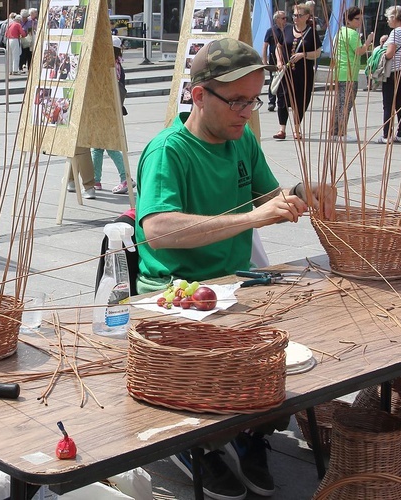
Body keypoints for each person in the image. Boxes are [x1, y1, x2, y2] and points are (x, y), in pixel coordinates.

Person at [134, 38, 336, 499]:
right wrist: (250, 220)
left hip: (235, 285)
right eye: (237, 101)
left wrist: (304, 190)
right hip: (176, 294)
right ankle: (192, 445)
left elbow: (267, 198)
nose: (247, 113)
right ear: (199, 95)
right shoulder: (169, 151)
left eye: (254, 99)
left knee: (295, 351)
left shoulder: (239, 139)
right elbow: (158, 229)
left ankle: (250, 431)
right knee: (233, 364)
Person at [91, 36, 135, 195]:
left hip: (105, 109)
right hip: (110, 109)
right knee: (98, 146)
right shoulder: (118, 64)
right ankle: (96, 180)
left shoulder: (110, 66)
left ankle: (125, 178)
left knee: (108, 146)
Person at [273, 3, 322, 140]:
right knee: (282, 99)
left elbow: (318, 53)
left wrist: (303, 55)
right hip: (286, 72)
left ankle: (296, 129)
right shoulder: (287, 29)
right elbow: (279, 46)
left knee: (300, 100)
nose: (296, 18)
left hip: (303, 73)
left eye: (299, 15)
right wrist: (279, 61)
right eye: (294, 15)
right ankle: (281, 129)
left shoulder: (311, 32)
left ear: (307, 16)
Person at [331, 6, 373, 141]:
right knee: (345, 104)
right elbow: (359, 51)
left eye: (360, 19)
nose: (359, 22)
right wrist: (369, 41)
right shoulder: (352, 34)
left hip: (340, 72)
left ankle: (335, 132)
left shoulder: (340, 32)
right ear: (347, 20)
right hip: (348, 73)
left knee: (340, 103)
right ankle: (340, 133)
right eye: (356, 19)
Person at [375, 5, 401, 143]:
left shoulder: (396, 33)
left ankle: (386, 135)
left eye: (388, 18)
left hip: (393, 72)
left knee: (388, 104)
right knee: (400, 103)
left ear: (394, 17)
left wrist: (380, 50)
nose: (387, 21)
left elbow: (390, 54)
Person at [262, 10, 288, 112]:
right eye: (283, 18)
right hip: (274, 60)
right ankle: (271, 102)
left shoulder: (288, 29)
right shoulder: (271, 31)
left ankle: (282, 102)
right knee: (274, 81)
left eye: (285, 18)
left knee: (284, 82)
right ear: (277, 19)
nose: (285, 20)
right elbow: (265, 46)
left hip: (286, 60)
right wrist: (264, 61)